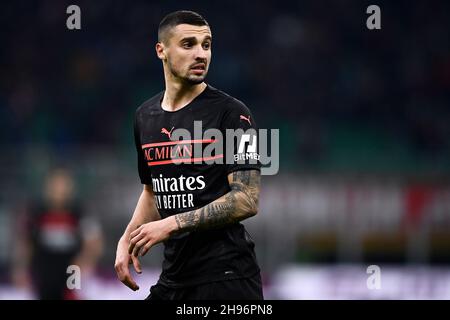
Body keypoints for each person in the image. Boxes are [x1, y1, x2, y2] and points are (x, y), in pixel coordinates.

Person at [114, 10, 263, 300]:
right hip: (174, 278)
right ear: (162, 50)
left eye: (206, 45)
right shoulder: (145, 116)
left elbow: (247, 198)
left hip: (227, 279)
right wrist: (127, 239)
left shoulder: (233, 114)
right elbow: (152, 192)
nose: (201, 54)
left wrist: (172, 223)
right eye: (188, 44)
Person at [12, 168, 103, 300]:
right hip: (44, 271)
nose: (59, 190)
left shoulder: (79, 213)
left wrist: (85, 261)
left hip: (72, 272)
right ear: (48, 187)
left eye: (63, 185)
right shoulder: (36, 213)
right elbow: (25, 243)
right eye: (55, 185)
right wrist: (20, 269)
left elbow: (95, 242)